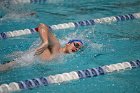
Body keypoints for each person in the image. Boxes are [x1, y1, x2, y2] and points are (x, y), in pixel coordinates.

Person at [0, 23, 83, 71]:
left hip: (20, 59)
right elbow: (42, 26)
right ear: (68, 43)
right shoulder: (56, 46)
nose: (77, 48)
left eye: (79, 48)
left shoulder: (61, 57)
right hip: (18, 61)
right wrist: (45, 42)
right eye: (76, 45)